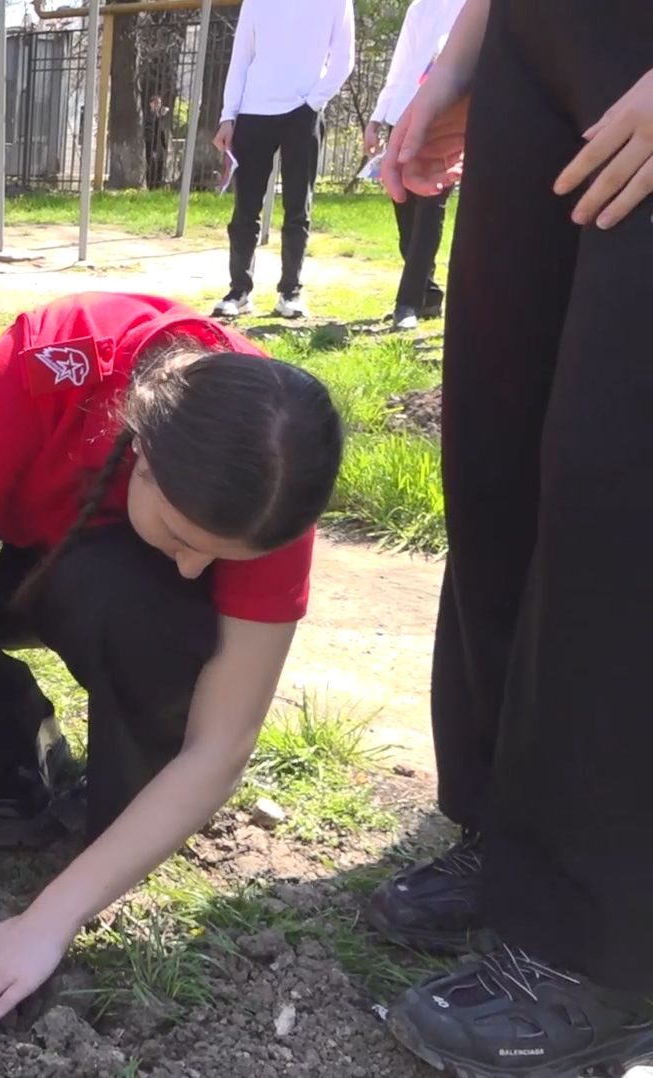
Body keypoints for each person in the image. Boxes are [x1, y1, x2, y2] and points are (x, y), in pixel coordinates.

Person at [0, 291, 344, 1029]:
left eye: (222, 556)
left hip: (108, 589)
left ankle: (111, 821)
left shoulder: (273, 476)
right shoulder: (50, 360)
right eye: (181, 535)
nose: (198, 570)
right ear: (138, 453)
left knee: (153, 605)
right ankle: (4, 747)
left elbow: (220, 745)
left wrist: (52, 920)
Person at [368, 2, 653, 1073]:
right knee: (501, 451)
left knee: (619, 480)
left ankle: (605, 944)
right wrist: (462, 56)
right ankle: (514, 835)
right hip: (541, 42)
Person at [209, 0, 356, 321]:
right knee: (245, 208)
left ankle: (290, 291)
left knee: (297, 207)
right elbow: (241, 59)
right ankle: (239, 290)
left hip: (302, 113)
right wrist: (227, 116)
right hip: (253, 112)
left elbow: (344, 59)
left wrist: (313, 103)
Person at [365, 0, 467, 331]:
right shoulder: (421, 7)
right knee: (405, 213)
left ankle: (406, 303)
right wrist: (378, 117)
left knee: (429, 213)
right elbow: (401, 66)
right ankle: (429, 294)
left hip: (445, 117)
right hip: (402, 116)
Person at [143, 94, 173, 190]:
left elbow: (162, 131)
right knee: (152, 167)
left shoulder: (158, 116)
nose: (158, 105)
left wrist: (164, 146)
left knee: (159, 167)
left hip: (159, 146)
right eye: (156, 103)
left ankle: (157, 187)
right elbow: (150, 132)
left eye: (159, 103)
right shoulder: (149, 116)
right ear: (151, 104)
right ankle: (151, 186)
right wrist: (153, 149)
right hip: (151, 146)